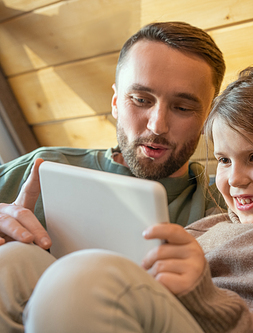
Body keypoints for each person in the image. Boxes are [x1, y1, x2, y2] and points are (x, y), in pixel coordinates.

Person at [20, 65, 253, 332]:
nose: (235, 179)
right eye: (224, 161)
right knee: (16, 261)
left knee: (86, 277)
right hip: (147, 314)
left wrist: (203, 295)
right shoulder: (207, 226)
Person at [0, 21, 226, 332]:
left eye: (183, 107)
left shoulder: (227, 203)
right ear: (116, 101)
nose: (157, 125)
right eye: (141, 100)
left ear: (207, 118)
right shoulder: (43, 169)